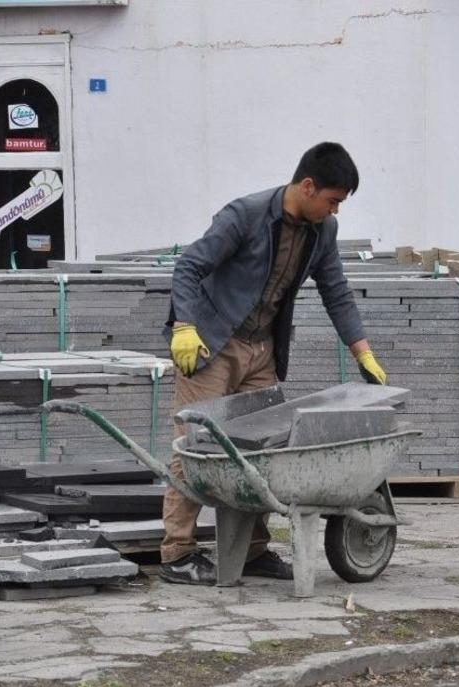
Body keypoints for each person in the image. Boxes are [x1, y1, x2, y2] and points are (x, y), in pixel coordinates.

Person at [160, 142, 388, 585]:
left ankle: (252, 551)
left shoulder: (323, 231)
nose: (335, 209)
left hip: (260, 348)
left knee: (262, 451)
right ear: (307, 186)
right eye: (332, 200)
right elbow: (188, 267)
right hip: (211, 345)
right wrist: (183, 327)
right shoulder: (243, 216)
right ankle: (177, 552)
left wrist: (362, 351)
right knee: (194, 448)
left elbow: (335, 290)